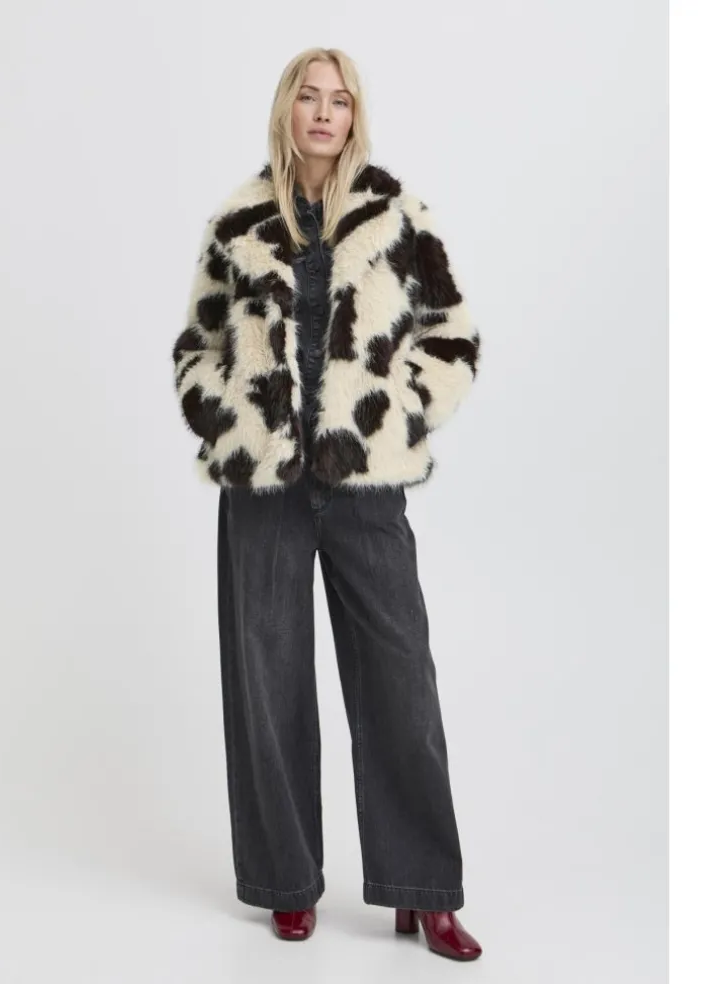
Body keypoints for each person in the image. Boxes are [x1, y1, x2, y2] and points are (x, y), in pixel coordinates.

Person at [171, 47, 483, 961]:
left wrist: (397, 414)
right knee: (267, 685)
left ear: (354, 117)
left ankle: (424, 892)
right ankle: (286, 883)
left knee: (400, 682)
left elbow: (453, 337)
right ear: (286, 110)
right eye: (308, 97)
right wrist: (232, 421)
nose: (322, 112)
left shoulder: (395, 214)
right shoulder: (237, 223)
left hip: (364, 490)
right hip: (265, 491)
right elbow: (196, 349)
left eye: (338, 100)